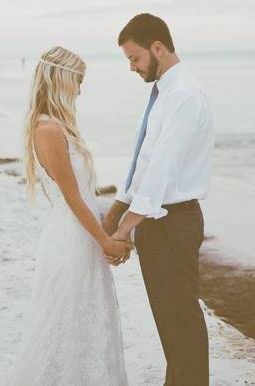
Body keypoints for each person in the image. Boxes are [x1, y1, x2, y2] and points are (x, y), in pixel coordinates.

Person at [5, 46, 130, 386]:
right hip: (71, 240)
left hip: (81, 236)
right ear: (61, 79)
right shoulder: (48, 130)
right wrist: (106, 239)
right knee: (62, 327)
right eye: (78, 80)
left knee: (85, 324)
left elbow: (83, 198)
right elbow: (74, 198)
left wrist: (105, 234)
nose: (80, 89)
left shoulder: (59, 127)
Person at [102, 13, 214, 386]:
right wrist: (120, 207)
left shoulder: (182, 95)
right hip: (157, 220)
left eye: (135, 58)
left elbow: (163, 170)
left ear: (158, 48)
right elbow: (146, 159)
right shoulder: (164, 92)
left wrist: (124, 230)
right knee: (169, 321)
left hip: (174, 221)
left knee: (180, 317)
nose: (132, 67)